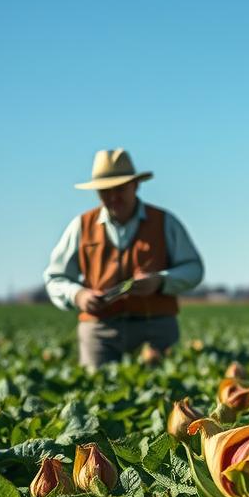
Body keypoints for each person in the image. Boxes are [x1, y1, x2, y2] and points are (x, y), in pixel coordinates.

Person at [44, 149, 204, 369]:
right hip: (99, 332)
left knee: (166, 394)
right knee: (96, 393)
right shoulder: (80, 226)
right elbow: (55, 277)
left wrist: (160, 280)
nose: (112, 197)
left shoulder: (165, 222)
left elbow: (194, 268)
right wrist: (78, 295)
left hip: (156, 328)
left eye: (119, 189)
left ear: (136, 185)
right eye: (105, 191)